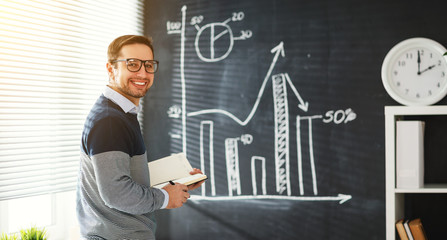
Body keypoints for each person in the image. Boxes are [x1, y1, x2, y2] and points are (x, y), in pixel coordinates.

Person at [76, 35, 204, 240]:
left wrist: (177, 183)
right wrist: (164, 198)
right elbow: (116, 192)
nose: (143, 73)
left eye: (148, 65)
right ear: (111, 69)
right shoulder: (110, 121)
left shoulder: (121, 113)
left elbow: (121, 174)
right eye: (133, 64)